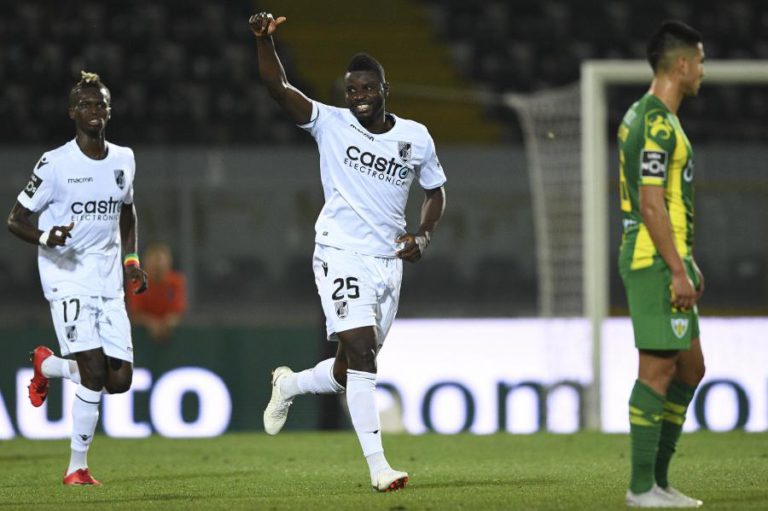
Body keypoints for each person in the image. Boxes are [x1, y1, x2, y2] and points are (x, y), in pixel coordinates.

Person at [248, 12, 447, 492]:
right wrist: (262, 42)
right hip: (339, 251)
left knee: (348, 367)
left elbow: (436, 192)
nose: (358, 96)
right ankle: (380, 468)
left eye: (366, 88)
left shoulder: (415, 137)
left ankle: (290, 384)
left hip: (387, 263)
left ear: (384, 89)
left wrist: (422, 235)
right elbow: (279, 88)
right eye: (351, 90)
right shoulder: (330, 124)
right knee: (361, 353)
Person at [7, 71, 148, 486]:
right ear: (72, 112)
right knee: (92, 371)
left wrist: (132, 258)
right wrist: (46, 235)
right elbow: (15, 220)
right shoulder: (55, 164)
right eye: (86, 104)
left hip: (108, 280)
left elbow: (127, 208)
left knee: (118, 381)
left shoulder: (124, 158)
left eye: (100, 103)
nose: (94, 110)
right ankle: (77, 467)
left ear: (109, 110)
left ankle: (47, 364)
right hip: (66, 275)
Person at [617, 21, 706, 508]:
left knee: (691, 367)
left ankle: (659, 482)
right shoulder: (653, 120)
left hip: (666, 257)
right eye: (701, 61)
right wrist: (675, 267)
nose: (703, 71)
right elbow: (651, 203)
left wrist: (686, 261)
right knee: (657, 370)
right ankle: (639, 488)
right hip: (653, 259)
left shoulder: (650, 117)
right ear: (682, 64)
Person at [127, 241, 187, 343]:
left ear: (169, 262)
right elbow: (135, 314)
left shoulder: (177, 282)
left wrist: (169, 322)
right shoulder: (137, 282)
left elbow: (178, 312)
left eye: (161, 261)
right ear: (146, 262)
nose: (158, 265)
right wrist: (151, 323)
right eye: (154, 261)